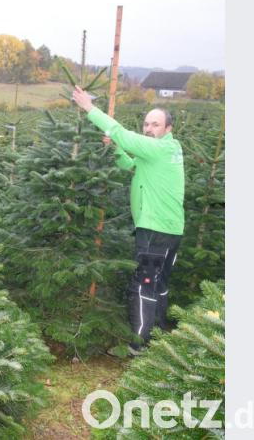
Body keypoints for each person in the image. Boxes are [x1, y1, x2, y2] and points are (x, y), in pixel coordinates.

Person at [72, 86, 184, 354]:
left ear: (168, 128)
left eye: (155, 124)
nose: (148, 128)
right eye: (146, 123)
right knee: (160, 282)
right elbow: (131, 165)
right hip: (170, 228)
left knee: (144, 283)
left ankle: (141, 345)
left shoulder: (157, 149)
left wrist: (89, 108)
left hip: (155, 229)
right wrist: (116, 151)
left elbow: (122, 133)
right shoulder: (165, 150)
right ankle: (159, 333)